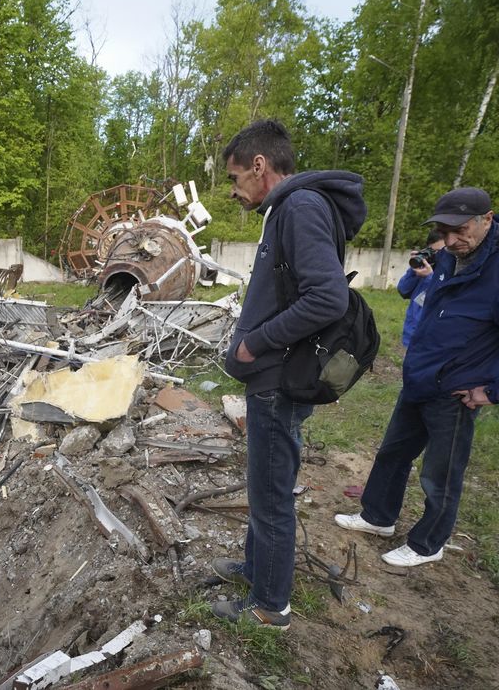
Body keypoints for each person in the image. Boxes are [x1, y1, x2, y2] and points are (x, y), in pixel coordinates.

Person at [335, 187, 499, 567]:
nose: (451, 239)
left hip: (457, 391)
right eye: (444, 231)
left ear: (487, 219)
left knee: (440, 473)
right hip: (421, 380)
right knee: (393, 453)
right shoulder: (450, 255)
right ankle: (378, 516)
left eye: (460, 230)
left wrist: (497, 392)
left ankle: (428, 544)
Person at [213, 120, 369, 629]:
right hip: (275, 376)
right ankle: (257, 570)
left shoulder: (300, 207)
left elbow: (328, 297)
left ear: (260, 167)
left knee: (272, 495)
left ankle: (269, 606)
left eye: (236, 179)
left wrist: (254, 343)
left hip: (280, 378)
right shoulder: (291, 208)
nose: (235, 192)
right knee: (264, 487)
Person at [397, 229, 445, 348]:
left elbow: (440, 299)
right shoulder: (424, 268)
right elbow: (403, 290)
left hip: (433, 340)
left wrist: (429, 278)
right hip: (412, 336)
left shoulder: (450, 271)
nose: (437, 256)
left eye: (441, 252)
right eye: (433, 252)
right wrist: (413, 270)